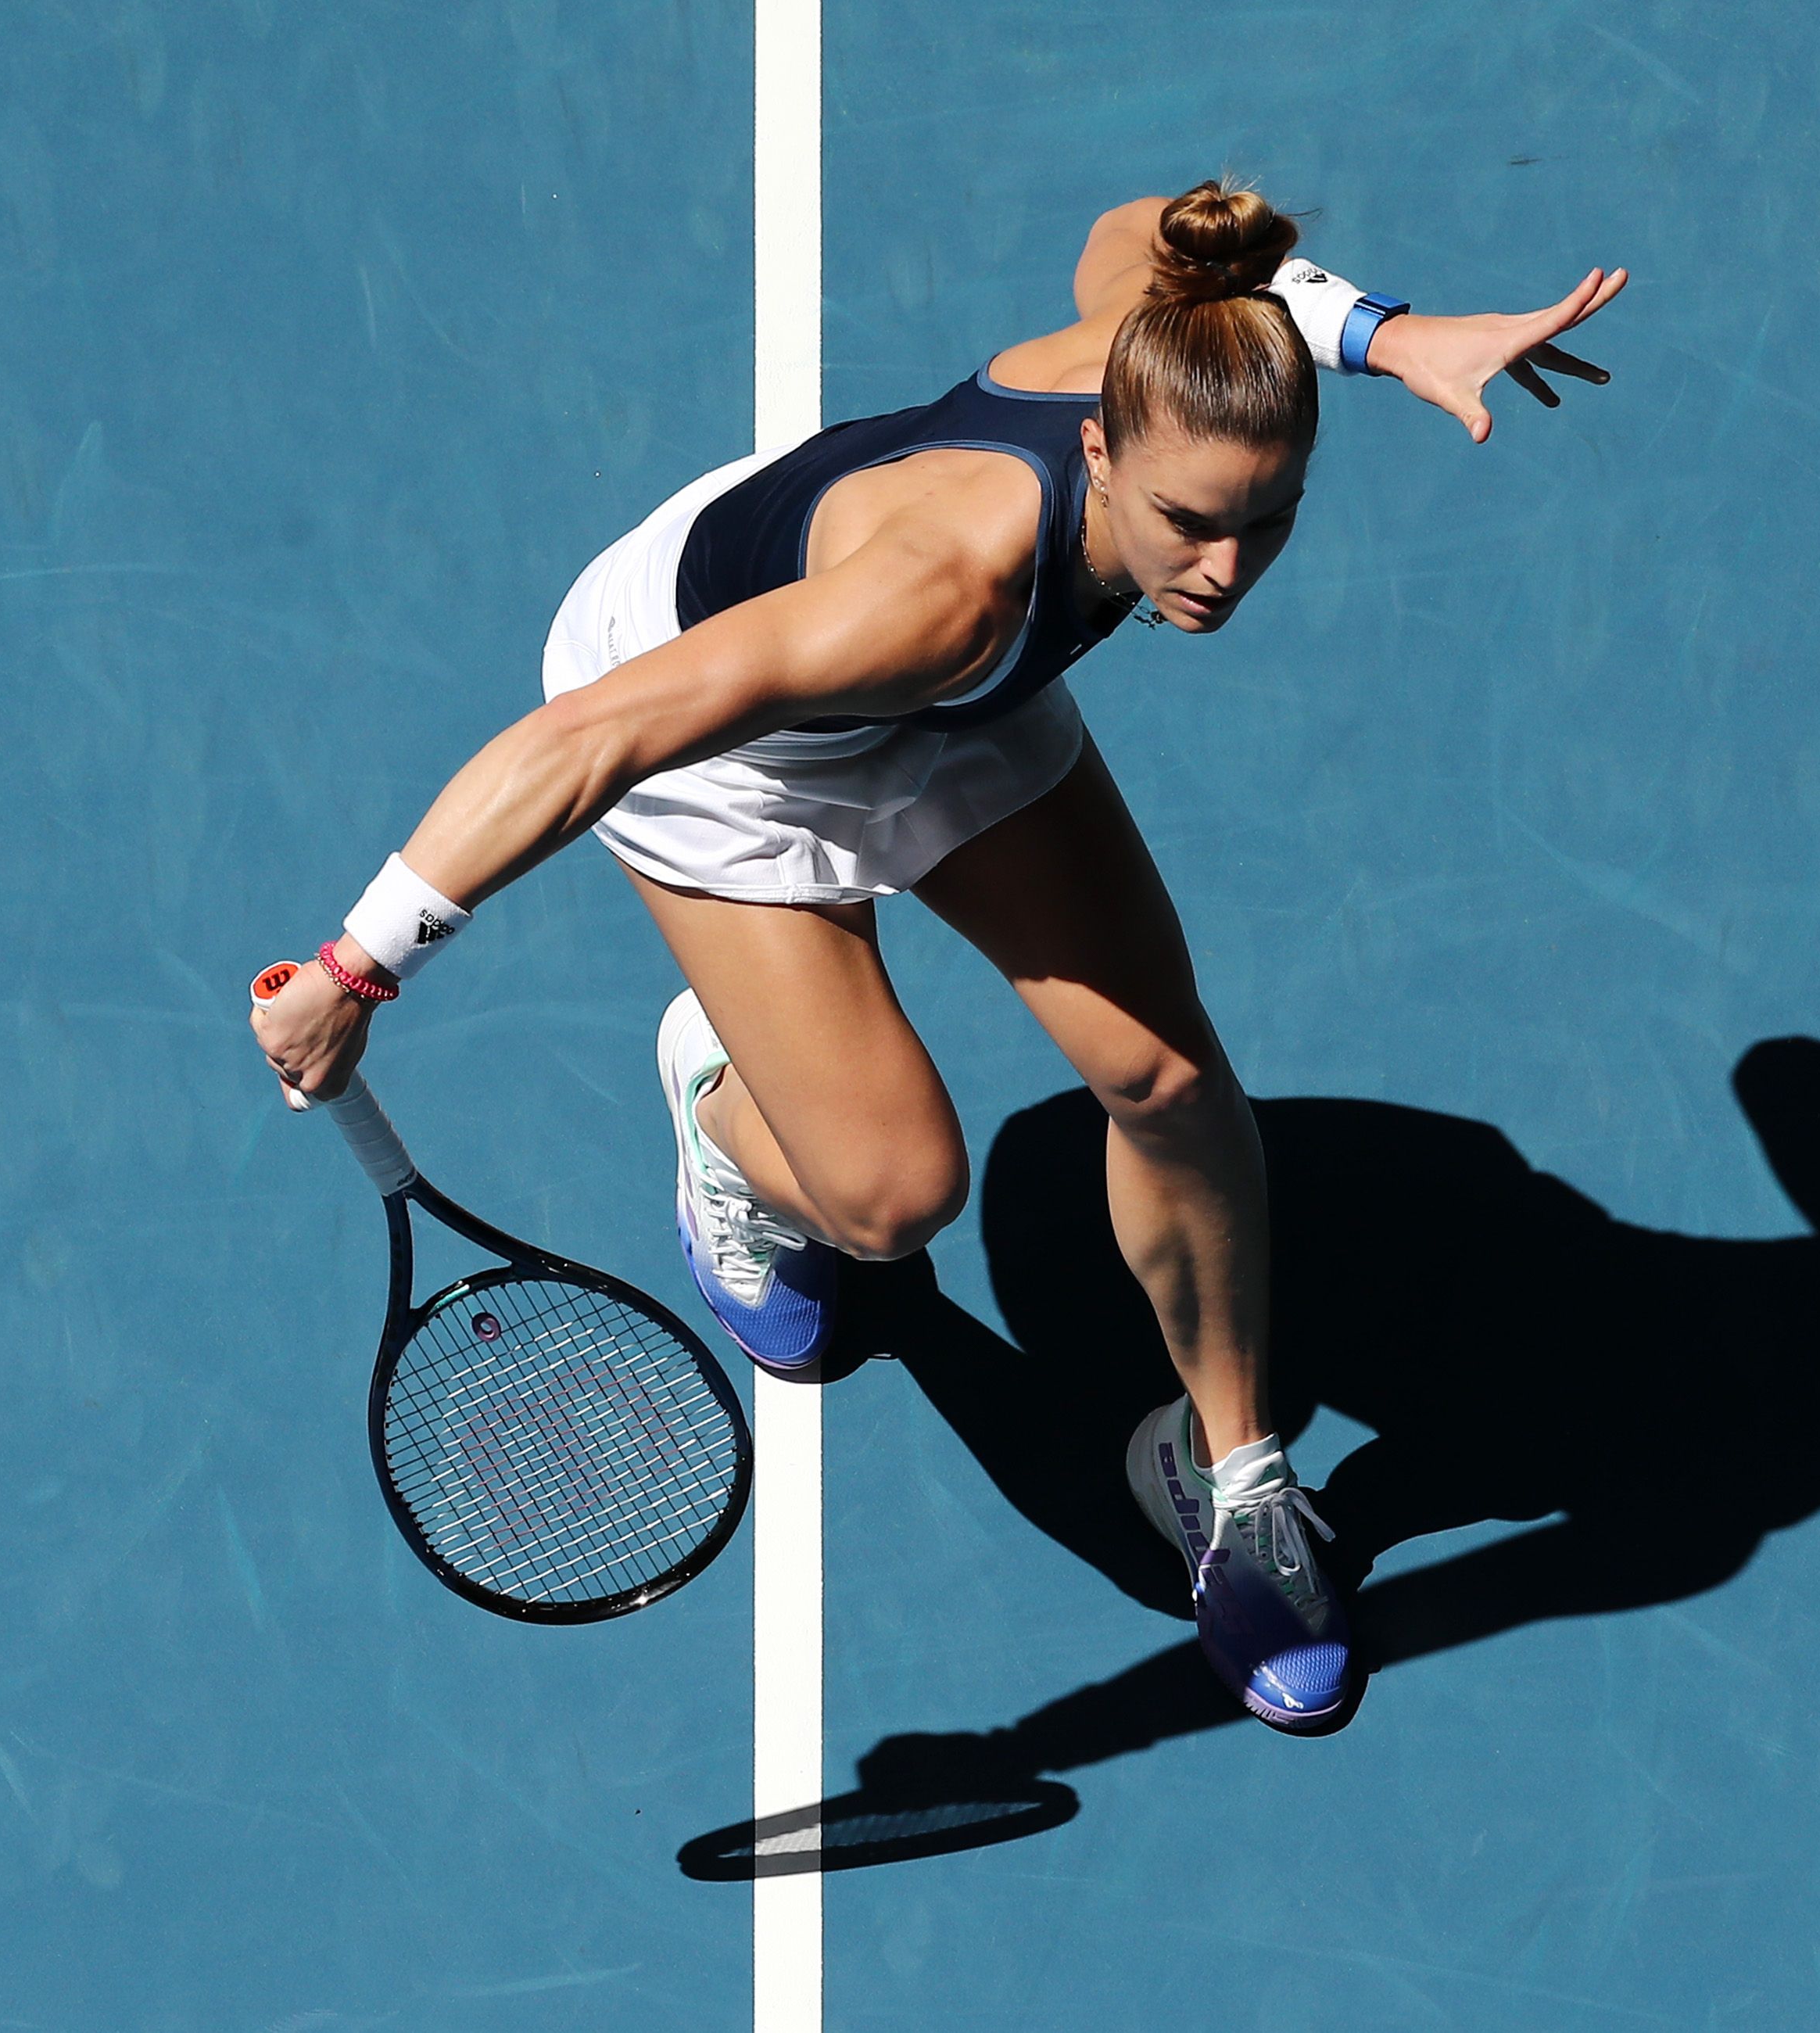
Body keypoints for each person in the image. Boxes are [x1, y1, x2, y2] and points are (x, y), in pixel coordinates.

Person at [252, 179, 1627, 1734]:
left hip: (953, 702)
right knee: (891, 1202)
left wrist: (1388, 335)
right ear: (1100, 448)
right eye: (1187, 523)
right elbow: (597, 736)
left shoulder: (1161, 346)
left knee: (1165, 1074)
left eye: (1266, 523)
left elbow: (1154, 221)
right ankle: (717, 1100)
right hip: (729, 741)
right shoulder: (935, 591)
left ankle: (1238, 1478)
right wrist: (358, 966)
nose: (1221, 572)